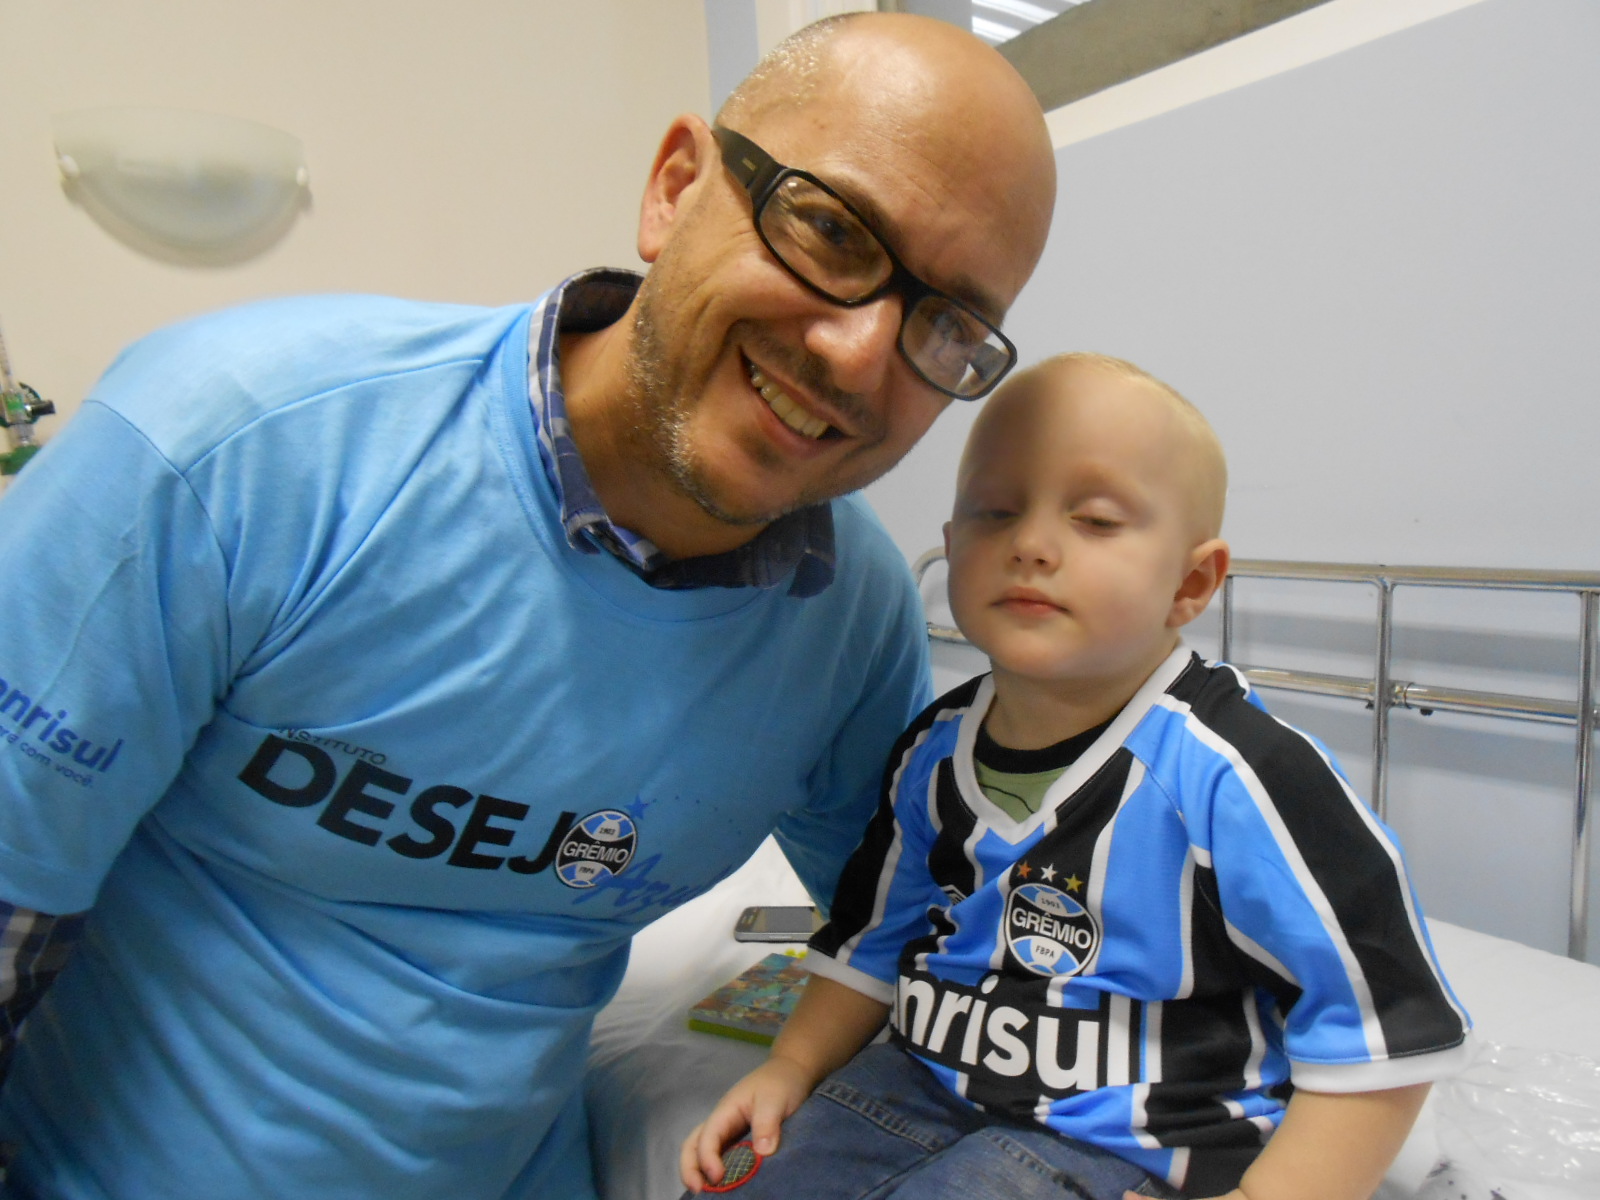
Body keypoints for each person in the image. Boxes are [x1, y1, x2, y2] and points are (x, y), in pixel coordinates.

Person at [0, 14, 1057, 1200]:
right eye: (828, 230)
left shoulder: (847, 613)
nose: (862, 355)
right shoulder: (237, 450)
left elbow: (926, 926)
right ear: (673, 191)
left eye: (947, 325)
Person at [680, 354, 1473, 1200]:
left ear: (1192, 581)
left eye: (1094, 520)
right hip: (913, 1088)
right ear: (950, 551)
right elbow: (870, 943)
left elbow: (1383, 1023)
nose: (1029, 544)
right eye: (994, 511)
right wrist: (792, 1067)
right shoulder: (931, 751)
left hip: (1138, 1137)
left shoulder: (1238, 776)